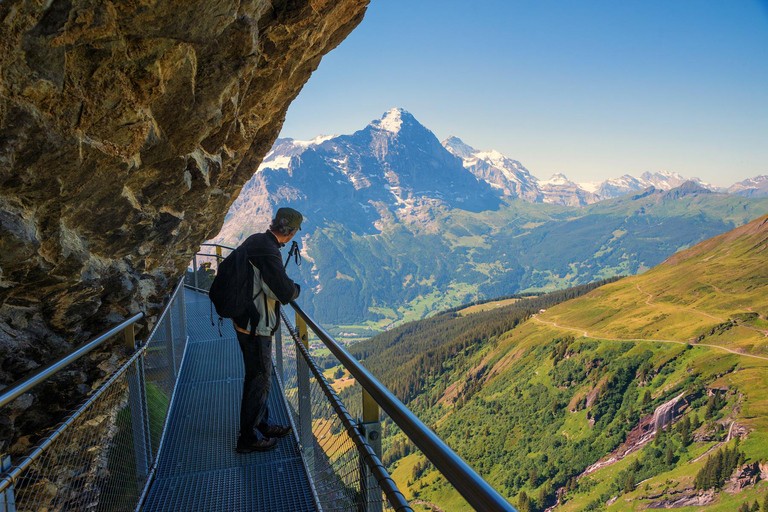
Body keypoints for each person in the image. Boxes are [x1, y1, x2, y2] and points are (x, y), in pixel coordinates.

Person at [233, 207, 303, 453]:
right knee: (258, 380)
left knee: (259, 377)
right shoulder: (269, 251)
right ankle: (248, 439)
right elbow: (282, 292)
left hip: (244, 320)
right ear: (291, 232)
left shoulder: (256, 240)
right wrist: (296, 289)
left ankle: (263, 423)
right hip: (256, 325)